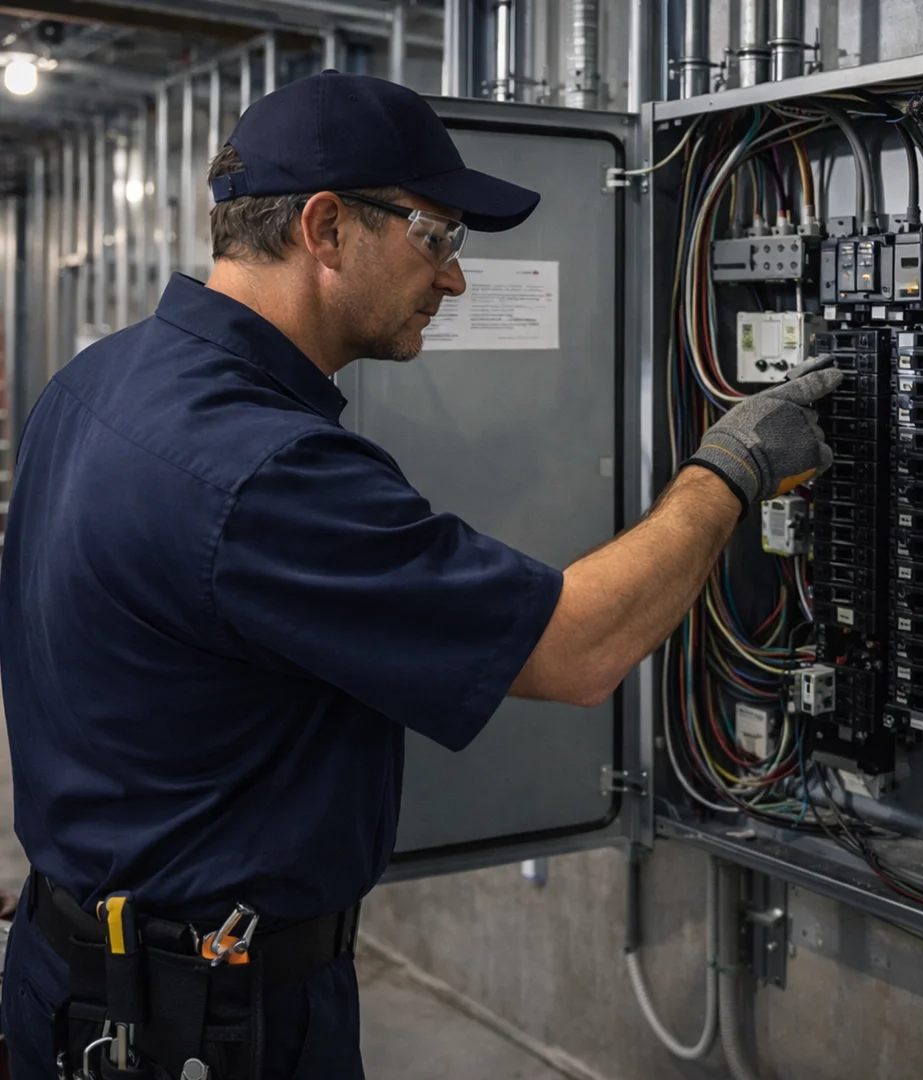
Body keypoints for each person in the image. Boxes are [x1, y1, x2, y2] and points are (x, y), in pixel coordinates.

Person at [0, 71, 841, 1080]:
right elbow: (579, 651)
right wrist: (732, 469)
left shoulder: (92, 383)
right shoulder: (267, 472)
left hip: (72, 967)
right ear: (325, 228)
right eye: (434, 238)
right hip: (210, 1021)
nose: (452, 281)